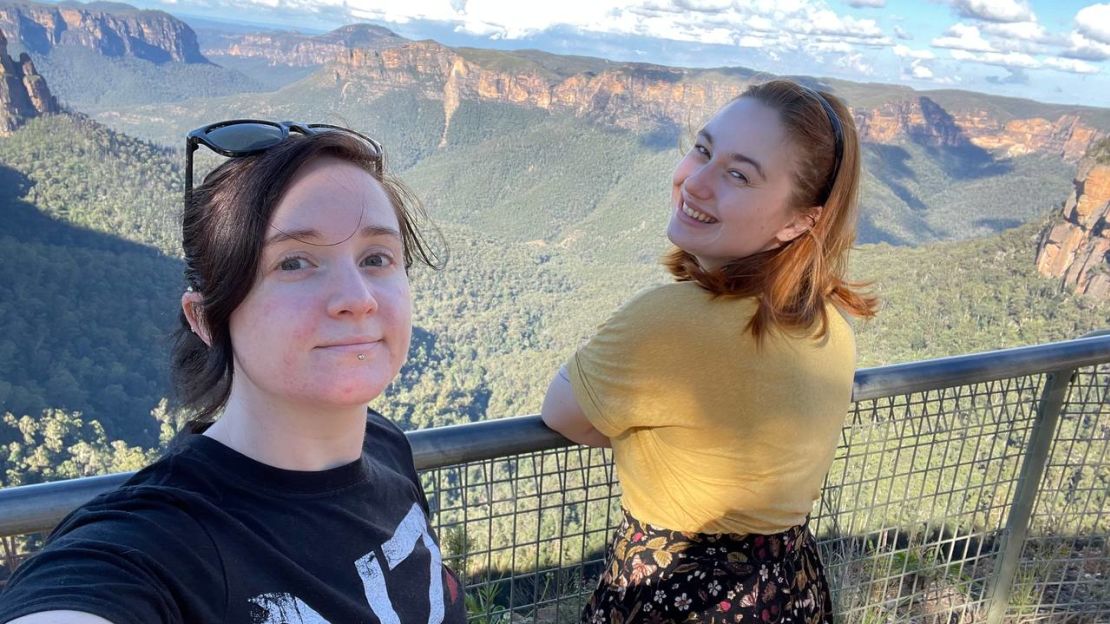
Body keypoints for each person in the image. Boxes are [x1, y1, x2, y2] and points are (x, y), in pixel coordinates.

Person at [0, 122, 467, 623]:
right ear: (205, 319)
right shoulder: (162, 546)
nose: (358, 297)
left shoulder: (386, 447)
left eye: (377, 257)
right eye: (294, 263)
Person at [542, 80, 877, 623]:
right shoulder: (827, 324)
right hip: (790, 588)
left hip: (678, 593)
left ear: (799, 220)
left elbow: (562, 414)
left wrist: (637, 424)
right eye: (703, 149)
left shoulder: (669, 321)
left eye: (739, 174)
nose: (695, 182)